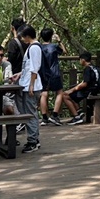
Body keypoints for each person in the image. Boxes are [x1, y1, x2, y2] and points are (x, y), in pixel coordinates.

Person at [16, 24, 42, 153]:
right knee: (29, 112)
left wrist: (31, 84)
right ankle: (33, 139)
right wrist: (20, 75)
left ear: (27, 36)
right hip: (28, 83)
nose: (21, 39)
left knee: (31, 113)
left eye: (22, 36)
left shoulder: (34, 48)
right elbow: (28, 67)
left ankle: (33, 141)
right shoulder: (31, 47)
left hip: (32, 86)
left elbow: (35, 67)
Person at [57, 51, 100, 125]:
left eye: (80, 59)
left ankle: (76, 117)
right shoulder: (94, 67)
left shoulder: (87, 69)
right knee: (72, 95)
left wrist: (71, 90)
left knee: (65, 96)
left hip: (90, 91)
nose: (80, 61)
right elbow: (85, 81)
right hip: (96, 89)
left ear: (83, 60)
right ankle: (79, 112)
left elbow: (85, 84)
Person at [38, 27, 64, 125]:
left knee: (44, 94)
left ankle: (44, 118)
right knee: (59, 93)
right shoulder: (54, 47)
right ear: (51, 36)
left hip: (43, 73)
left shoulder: (39, 47)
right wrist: (59, 41)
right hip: (54, 72)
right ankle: (55, 115)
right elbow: (64, 51)